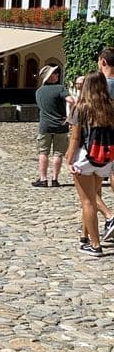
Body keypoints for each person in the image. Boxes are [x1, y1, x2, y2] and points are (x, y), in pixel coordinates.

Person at [65, 72, 114, 257]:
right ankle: (85, 237)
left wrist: (69, 159)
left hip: (85, 157)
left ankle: (95, 245)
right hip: (104, 158)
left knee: (87, 201)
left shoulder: (81, 108)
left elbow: (76, 137)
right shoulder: (110, 107)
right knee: (93, 196)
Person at [33, 65, 72, 187]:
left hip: (45, 125)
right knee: (58, 153)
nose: (57, 74)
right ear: (50, 77)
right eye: (55, 73)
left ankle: (43, 179)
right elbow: (71, 100)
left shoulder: (38, 91)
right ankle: (55, 179)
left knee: (43, 152)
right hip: (60, 125)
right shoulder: (60, 88)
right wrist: (70, 116)